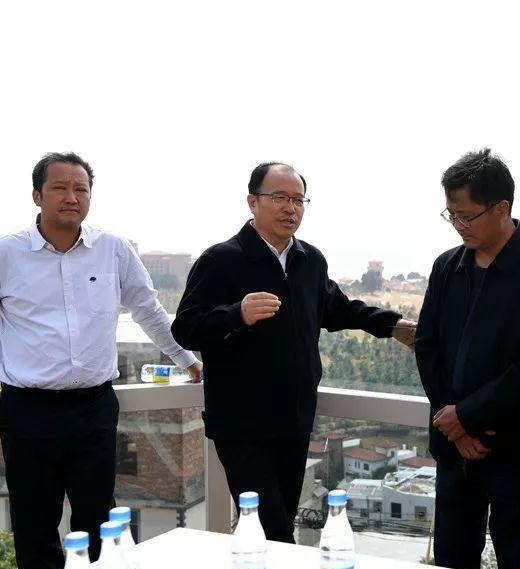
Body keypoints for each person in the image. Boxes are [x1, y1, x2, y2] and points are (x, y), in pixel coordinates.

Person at [0, 152, 201, 569]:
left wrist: (187, 360)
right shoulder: (0, 255)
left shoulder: (113, 250)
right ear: (37, 195)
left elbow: (148, 309)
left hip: (94, 408)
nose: (71, 197)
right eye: (60, 188)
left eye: (81, 189)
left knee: (99, 522)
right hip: (28, 411)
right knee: (35, 526)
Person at [171, 161, 415, 542]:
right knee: (272, 531)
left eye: (298, 200)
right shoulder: (220, 260)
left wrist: (393, 325)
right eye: (279, 198)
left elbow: (338, 309)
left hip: (294, 420)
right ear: (252, 202)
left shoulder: (309, 261)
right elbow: (185, 327)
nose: (290, 208)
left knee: (282, 520)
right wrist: (237, 314)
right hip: (242, 426)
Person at [414, 149, 520, 569]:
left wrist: (465, 416)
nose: (458, 225)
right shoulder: (448, 267)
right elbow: (427, 346)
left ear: (501, 208)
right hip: (454, 452)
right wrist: (453, 422)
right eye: (451, 215)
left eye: (467, 216)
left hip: (519, 453)